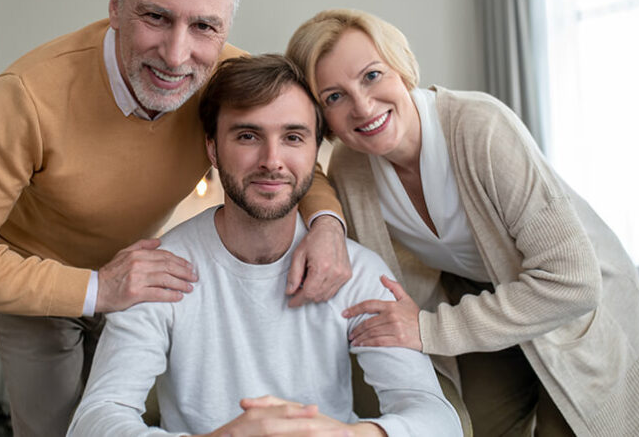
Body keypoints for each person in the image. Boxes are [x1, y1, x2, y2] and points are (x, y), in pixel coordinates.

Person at [0, 0, 353, 435]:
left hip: (138, 274)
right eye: (156, 17)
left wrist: (327, 225)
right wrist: (98, 288)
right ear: (115, 8)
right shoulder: (26, 94)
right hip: (36, 279)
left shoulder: (224, 77)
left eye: (204, 26)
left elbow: (291, 158)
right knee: (54, 430)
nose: (176, 55)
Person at [285, 8, 639, 437]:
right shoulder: (350, 166)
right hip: (475, 297)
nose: (362, 106)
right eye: (334, 97)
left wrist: (428, 329)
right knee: (473, 427)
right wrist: (326, 225)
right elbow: (299, 166)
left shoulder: (481, 128)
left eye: (372, 75)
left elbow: (575, 283)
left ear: (401, 67)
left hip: (575, 303)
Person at [67, 54, 462, 437]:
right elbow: (95, 419)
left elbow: (438, 420)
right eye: (248, 136)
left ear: (314, 150)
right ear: (212, 148)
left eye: (293, 137)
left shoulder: (353, 270)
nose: (272, 161)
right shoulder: (160, 271)